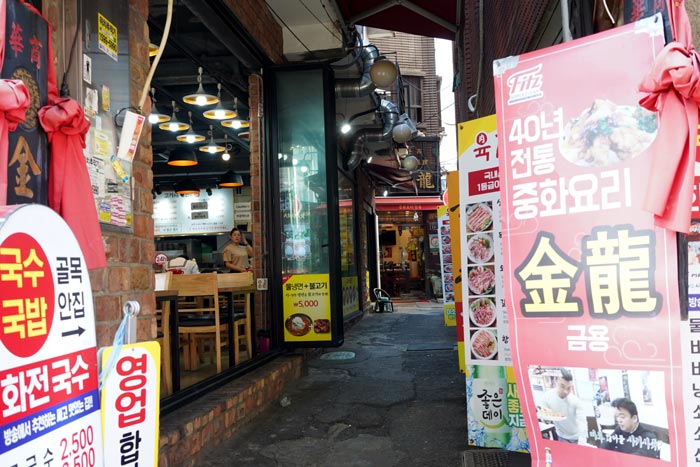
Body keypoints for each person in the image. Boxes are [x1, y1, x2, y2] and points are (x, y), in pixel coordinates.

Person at [539, 368, 581, 443]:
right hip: (561, 436)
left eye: (569, 388)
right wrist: (546, 418)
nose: (565, 391)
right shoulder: (547, 397)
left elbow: (582, 422)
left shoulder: (575, 400)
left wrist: (582, 440)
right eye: (562, 386)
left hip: (577, 437)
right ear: (556, 380)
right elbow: (544, 415)